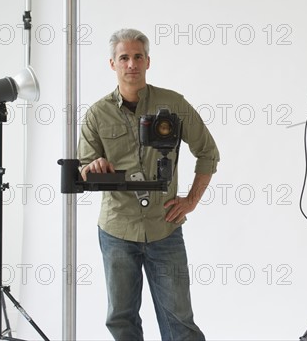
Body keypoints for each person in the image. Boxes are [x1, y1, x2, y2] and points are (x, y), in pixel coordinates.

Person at [78, 28, 219, 340]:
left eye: (137, 56)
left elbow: (208, 152)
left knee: (179, 321)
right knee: (121, 318)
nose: (131, 64)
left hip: (164, 228)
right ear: (112, 64)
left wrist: (191, 200)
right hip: (117, 231)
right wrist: (93, 166)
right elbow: (83, 169)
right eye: (124, 57)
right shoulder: (96, 115)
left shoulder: (173, 105)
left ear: (148, 61)